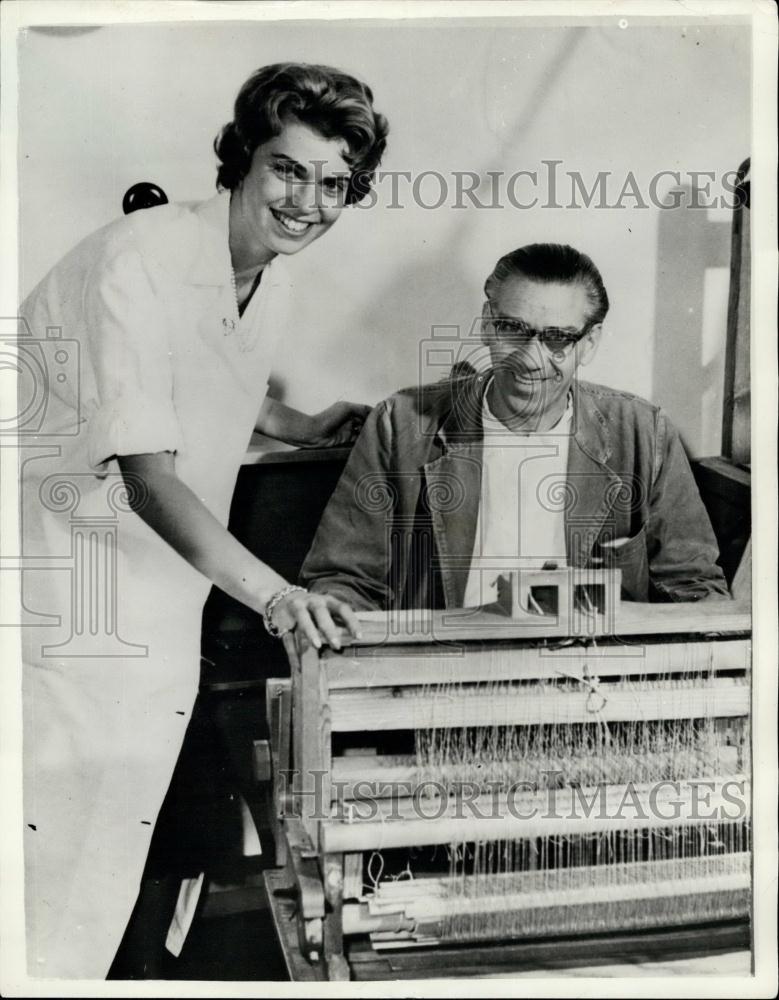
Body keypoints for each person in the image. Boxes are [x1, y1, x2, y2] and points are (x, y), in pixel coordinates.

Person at [20, 63, 388, 978]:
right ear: (240, 160)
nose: (306, 201)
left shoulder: (265, 268)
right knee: (49, 850)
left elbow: (213, 372)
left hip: (157, 587)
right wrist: (276, 596)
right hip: (61, 586)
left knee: (107, 843)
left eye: (331, 183)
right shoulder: (138, 257)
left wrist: (298, 423)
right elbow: (146, 473)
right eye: (287, 169)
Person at [300, 243, 730, 611]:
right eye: (513, 330)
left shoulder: (644, 434)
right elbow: (342, 579)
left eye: (558, 338)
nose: (530, 358)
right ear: (487, 325)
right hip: (443, 675)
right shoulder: (401, 424)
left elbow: (697, 593)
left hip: (588, 682)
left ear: (590, 343)